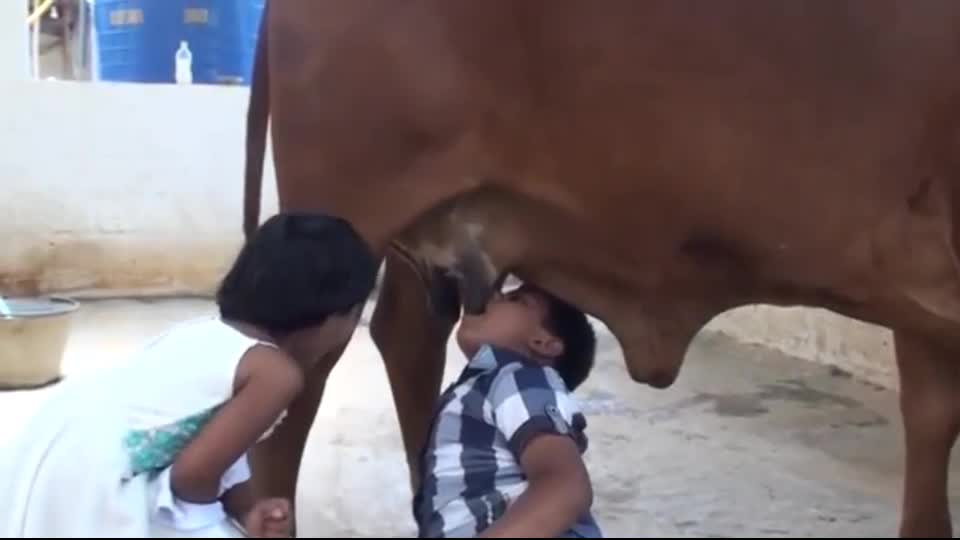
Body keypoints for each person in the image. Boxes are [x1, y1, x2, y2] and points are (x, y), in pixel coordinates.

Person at [0, 211, 379, 538]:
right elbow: (191, 479)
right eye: (354, 314)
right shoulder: (277, 375)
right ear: (333, 314)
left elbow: (214, 447)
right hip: (96, 473)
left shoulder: (204, 332)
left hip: (55, 439)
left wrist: (246, 510)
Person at [413, 283, 602, 538]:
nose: (493, 295)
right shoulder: (479, 390)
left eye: (516, 299)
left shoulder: (522, 377)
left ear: (543, 342)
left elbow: (565, 487)